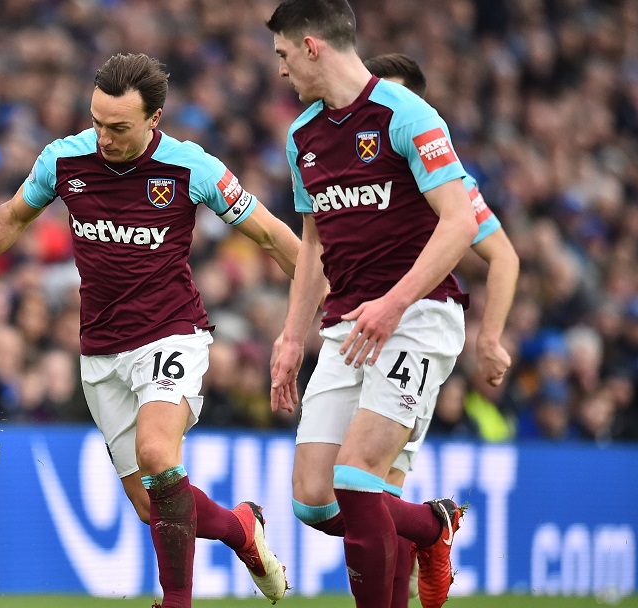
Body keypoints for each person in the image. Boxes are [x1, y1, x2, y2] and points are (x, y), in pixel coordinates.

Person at [0, 53, 297, 607]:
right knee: (156, 511)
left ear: (155, 119)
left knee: (159, 456)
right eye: (97, 121)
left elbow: (273, 236)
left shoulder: (192, 168)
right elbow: (13, 217)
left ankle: (175, 602)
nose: (103, 137)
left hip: (171, 332)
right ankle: (242, 530)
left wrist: (332, 297)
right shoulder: (64, 159)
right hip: (101, 351)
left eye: (119, 127)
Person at [265, 3, 477, 608]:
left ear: (310, 47)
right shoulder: (302, 135)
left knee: (357, 478)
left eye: (282, 54)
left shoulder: (406, 114)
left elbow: (459, 223)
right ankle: (430, 527)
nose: (279, 71)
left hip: (420, 315)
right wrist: (290, 336)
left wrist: (395, 302)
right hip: (348, 325)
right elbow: (313, 242)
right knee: (313, 499)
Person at [363, 52, 521, 601]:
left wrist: (491, 337)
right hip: (357, 332)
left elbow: (502, 256)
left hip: (418, 329)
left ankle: (429, 538)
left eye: (397, 97)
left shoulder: (443, 174)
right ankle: (435, 529)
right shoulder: (352, 163)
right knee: (355, 498)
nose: (384, 108)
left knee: (371, 488)